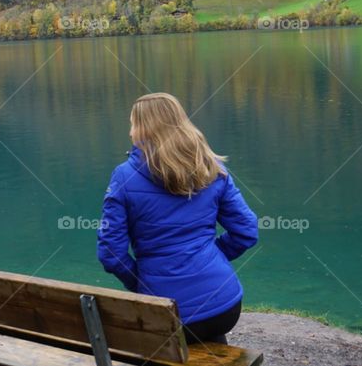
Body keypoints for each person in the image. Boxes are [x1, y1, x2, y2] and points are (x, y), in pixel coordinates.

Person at [97, 92, 258, 345]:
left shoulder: (124, 177)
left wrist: (141, 281)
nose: (129, 132)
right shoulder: (212, 167)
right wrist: (209, 255)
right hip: (225, 307)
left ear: (144, 129)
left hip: (166, 311)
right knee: (206, 331)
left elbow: (110, 253)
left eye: (132, 124)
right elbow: (247, 231)